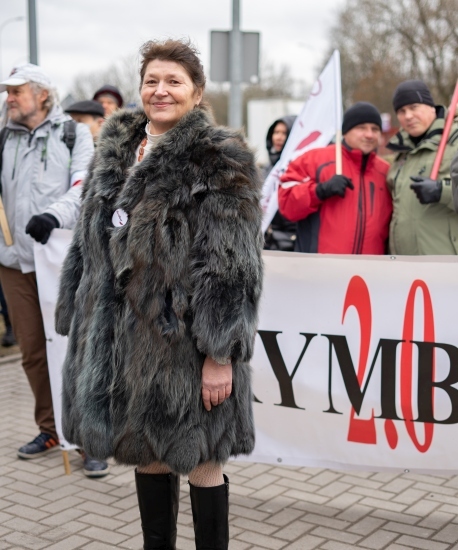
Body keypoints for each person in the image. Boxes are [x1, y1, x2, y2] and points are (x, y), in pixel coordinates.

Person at [55, 39, 263, 549]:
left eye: (174, 81)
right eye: (152, 80)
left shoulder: (219, 158)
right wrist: (73, 309)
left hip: (183, 340)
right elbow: (89, 239)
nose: (160, 90)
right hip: (118, 340)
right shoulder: (115, 149)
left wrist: (221, 354)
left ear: (196, 93)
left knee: (202, 463)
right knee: (145, 451)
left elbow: (231, 265)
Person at [0, 63, 109, 477]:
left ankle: (86, 438)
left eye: (17, 91)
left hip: (60, 262)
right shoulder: (5, 131)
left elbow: (83, 188)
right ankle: (49, 429)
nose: (9, 98)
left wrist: (52, 215)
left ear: (42, 94)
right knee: (32, 352)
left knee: (71, 350)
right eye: (6, 92)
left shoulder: (74, 133)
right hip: (13, 262)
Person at [278, 102, 392, 253]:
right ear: (345, 131)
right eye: (361, 128)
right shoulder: (314, 159)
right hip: (322, 269)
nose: (369, 134)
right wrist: (318, 191)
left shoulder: (386, 171)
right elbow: (286, 204)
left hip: (369, 271)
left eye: (375, 129)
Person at [387, 80, 458, 255]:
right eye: (401, 111)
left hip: (446, 265)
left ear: (432, 107)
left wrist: (442, 191)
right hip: (408, 269)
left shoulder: (454, 141)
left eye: (414, 107)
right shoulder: (399, 154)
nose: (408, 116)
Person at [263, 116, 297, 251]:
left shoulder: (298, 168)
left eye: (284, 133)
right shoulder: (266, 169)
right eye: (276, 132)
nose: (278, 137)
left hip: (291, 243)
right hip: (267, 242)